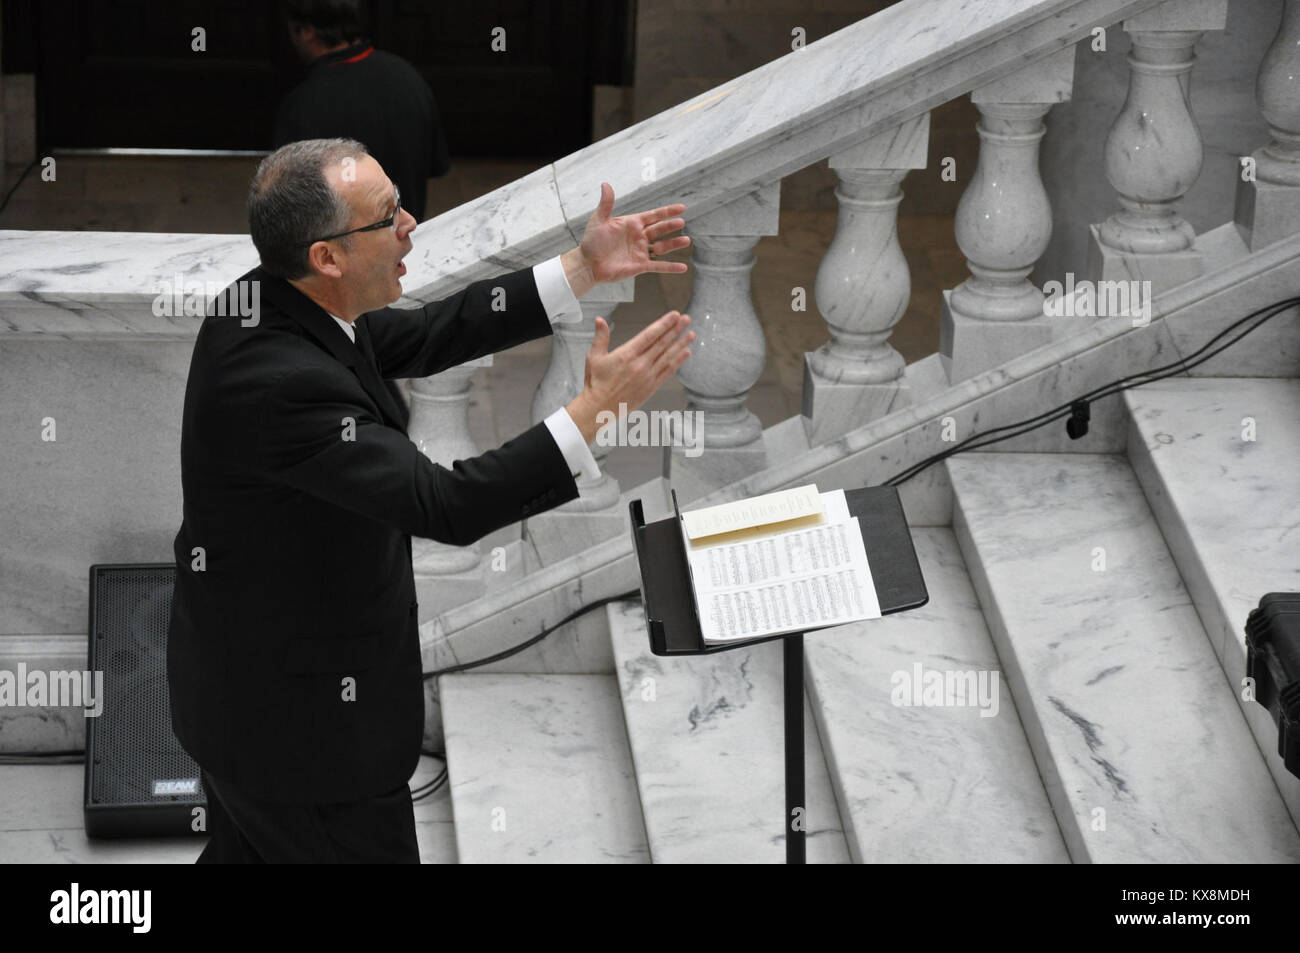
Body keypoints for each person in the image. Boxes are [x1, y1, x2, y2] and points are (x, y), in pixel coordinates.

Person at [166, 137, 693, 863]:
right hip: (301, 740)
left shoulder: (281, 297)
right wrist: (593, 412)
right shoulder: (283, 383)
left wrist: (583, 267)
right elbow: (447, 503)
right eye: (388, 215)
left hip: (250, 702)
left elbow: (429, 332)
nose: (412, 222)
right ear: (328, 256)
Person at [274, 0, 450, 224]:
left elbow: (290, 201)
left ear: (307, 30)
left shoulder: (301, 105)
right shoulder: (408, 78)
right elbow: (435, 169)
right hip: (405, 234)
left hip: (345, 249)